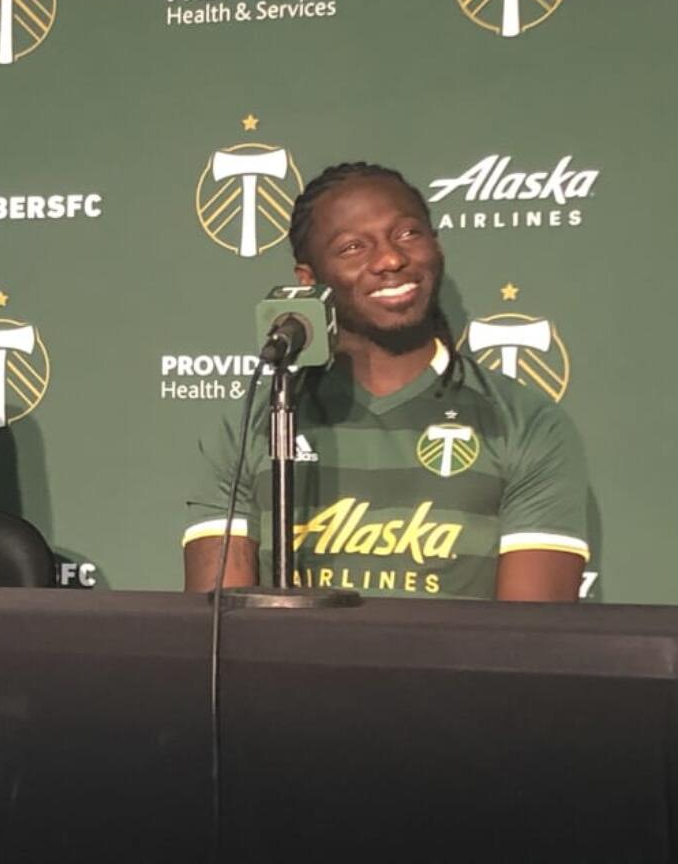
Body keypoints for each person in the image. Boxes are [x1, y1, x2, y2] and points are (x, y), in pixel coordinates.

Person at [183, 162, 588, 601]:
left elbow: (530, 643)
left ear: (436, 246)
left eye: (408, 234)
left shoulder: (524, 422)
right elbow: (217, 632)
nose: (391, 259)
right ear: (309, 280)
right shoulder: (257, 422)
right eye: (353, 247)